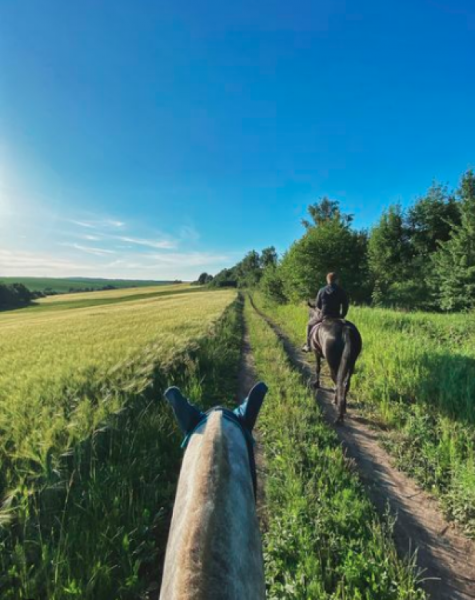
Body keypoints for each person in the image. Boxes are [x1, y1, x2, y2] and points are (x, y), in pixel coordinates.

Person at [302, 272, 349, 352]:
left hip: (324, 316)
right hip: (336, 316)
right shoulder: (341, 291)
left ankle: (308, 345)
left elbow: (318, 305)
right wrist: (342, 316)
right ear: (337, 280)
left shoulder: (322, 290)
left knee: (309, 324)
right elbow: (345, 305)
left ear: (327, 280)